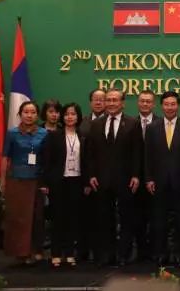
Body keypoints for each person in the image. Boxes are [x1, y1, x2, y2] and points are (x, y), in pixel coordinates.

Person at [84, 89, 142, 266]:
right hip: (101, 179)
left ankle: (123, 255)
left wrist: (136, 175)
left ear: (122, 103)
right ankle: (106, 255)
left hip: (125, 179)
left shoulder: (132, 123)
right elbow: (90, 153)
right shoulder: (96, 124)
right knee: (104, 218)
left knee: (126, 218)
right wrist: (91, 175)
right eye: (108, 100)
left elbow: (137, 152)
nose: (110, 103)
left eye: (114, 100)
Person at [144, 91, 180, 267]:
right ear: (161, 106)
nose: (170, 107)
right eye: (166, 104)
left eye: (173, 104)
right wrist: (149, 178)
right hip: (158, 182)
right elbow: (148, 156)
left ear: (178, 106)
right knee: (159, 221)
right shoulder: (152, 127)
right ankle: (161, 254)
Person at [0, 101, 49, 264]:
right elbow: (5, 157)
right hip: (17, 180)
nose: (29, 115)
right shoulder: (12, 133)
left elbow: (47, 159)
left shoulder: (44, 133)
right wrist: (3, 180)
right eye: (26, 112)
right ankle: (21, 252)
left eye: (33, 112)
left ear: (37, 115)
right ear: (20, 114)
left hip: (37, 180)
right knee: (19, 218)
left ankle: (36, 250)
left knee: (37, 217)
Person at [40, 103, 86, 267]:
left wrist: (87, 182)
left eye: (73, 114)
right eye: (66, 114)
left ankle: (70, 253)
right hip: (58, 181)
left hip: (77, 181)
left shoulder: (83, 136)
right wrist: (45, 182)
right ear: (62, 117)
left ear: (78, 116)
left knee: (73, 218)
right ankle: (56, 253)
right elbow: (46, 160)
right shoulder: (54, 136)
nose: (69, 117)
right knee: (57, 217)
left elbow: (87, 161)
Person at [76, 88, 105, 262]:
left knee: (103, 217)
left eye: (102, 99)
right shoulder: (82, 123)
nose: (99, 102)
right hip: (86, 176)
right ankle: (83, 251)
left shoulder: (113, 121)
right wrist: (87, 178)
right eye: (96, 99)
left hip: (107, 177)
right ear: (90, 102)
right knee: (85, 216)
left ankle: (101, 251)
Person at [135, 89, 157, 261]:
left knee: (155, 216)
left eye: (148, 101)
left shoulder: (161, 123)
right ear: (138, 103)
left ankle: (155, 251)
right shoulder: (130, 123)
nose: (145, 104)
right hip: (134, 179)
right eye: (142, 101)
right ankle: (141, 252)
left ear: (154, 104)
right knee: (138, 217)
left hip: (155, 179)